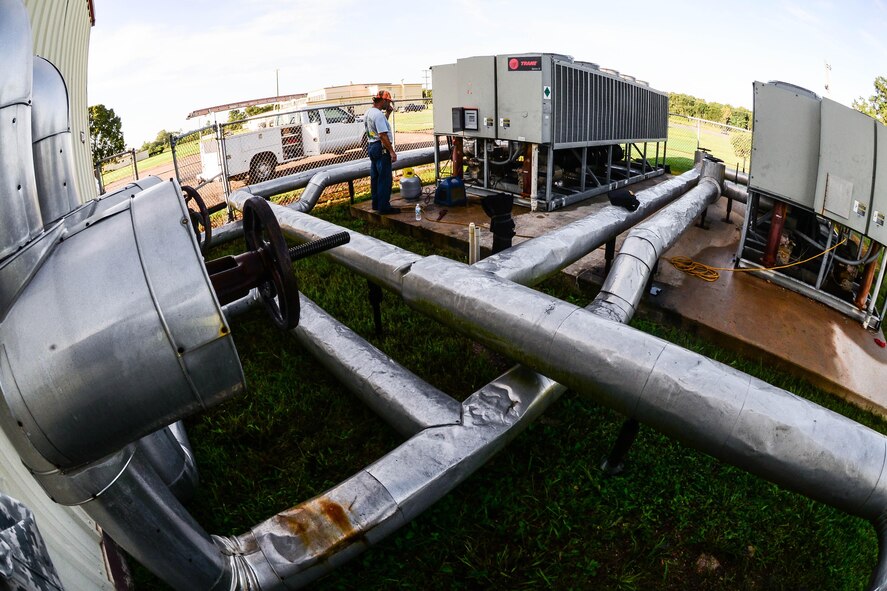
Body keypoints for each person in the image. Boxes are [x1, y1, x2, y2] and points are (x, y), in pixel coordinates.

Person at [364, 90, 400, 214]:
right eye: (388, 102)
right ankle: (384, 207)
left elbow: (379, 126)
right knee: (385, 179)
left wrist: (388, 113)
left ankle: (376, 204)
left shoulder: (369, 112)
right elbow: (382, 135)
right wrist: (392, 152)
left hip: (372, 146)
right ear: (383, 100)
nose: (389, 104)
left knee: (376, 177)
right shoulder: (378, 115)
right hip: (381, 148)